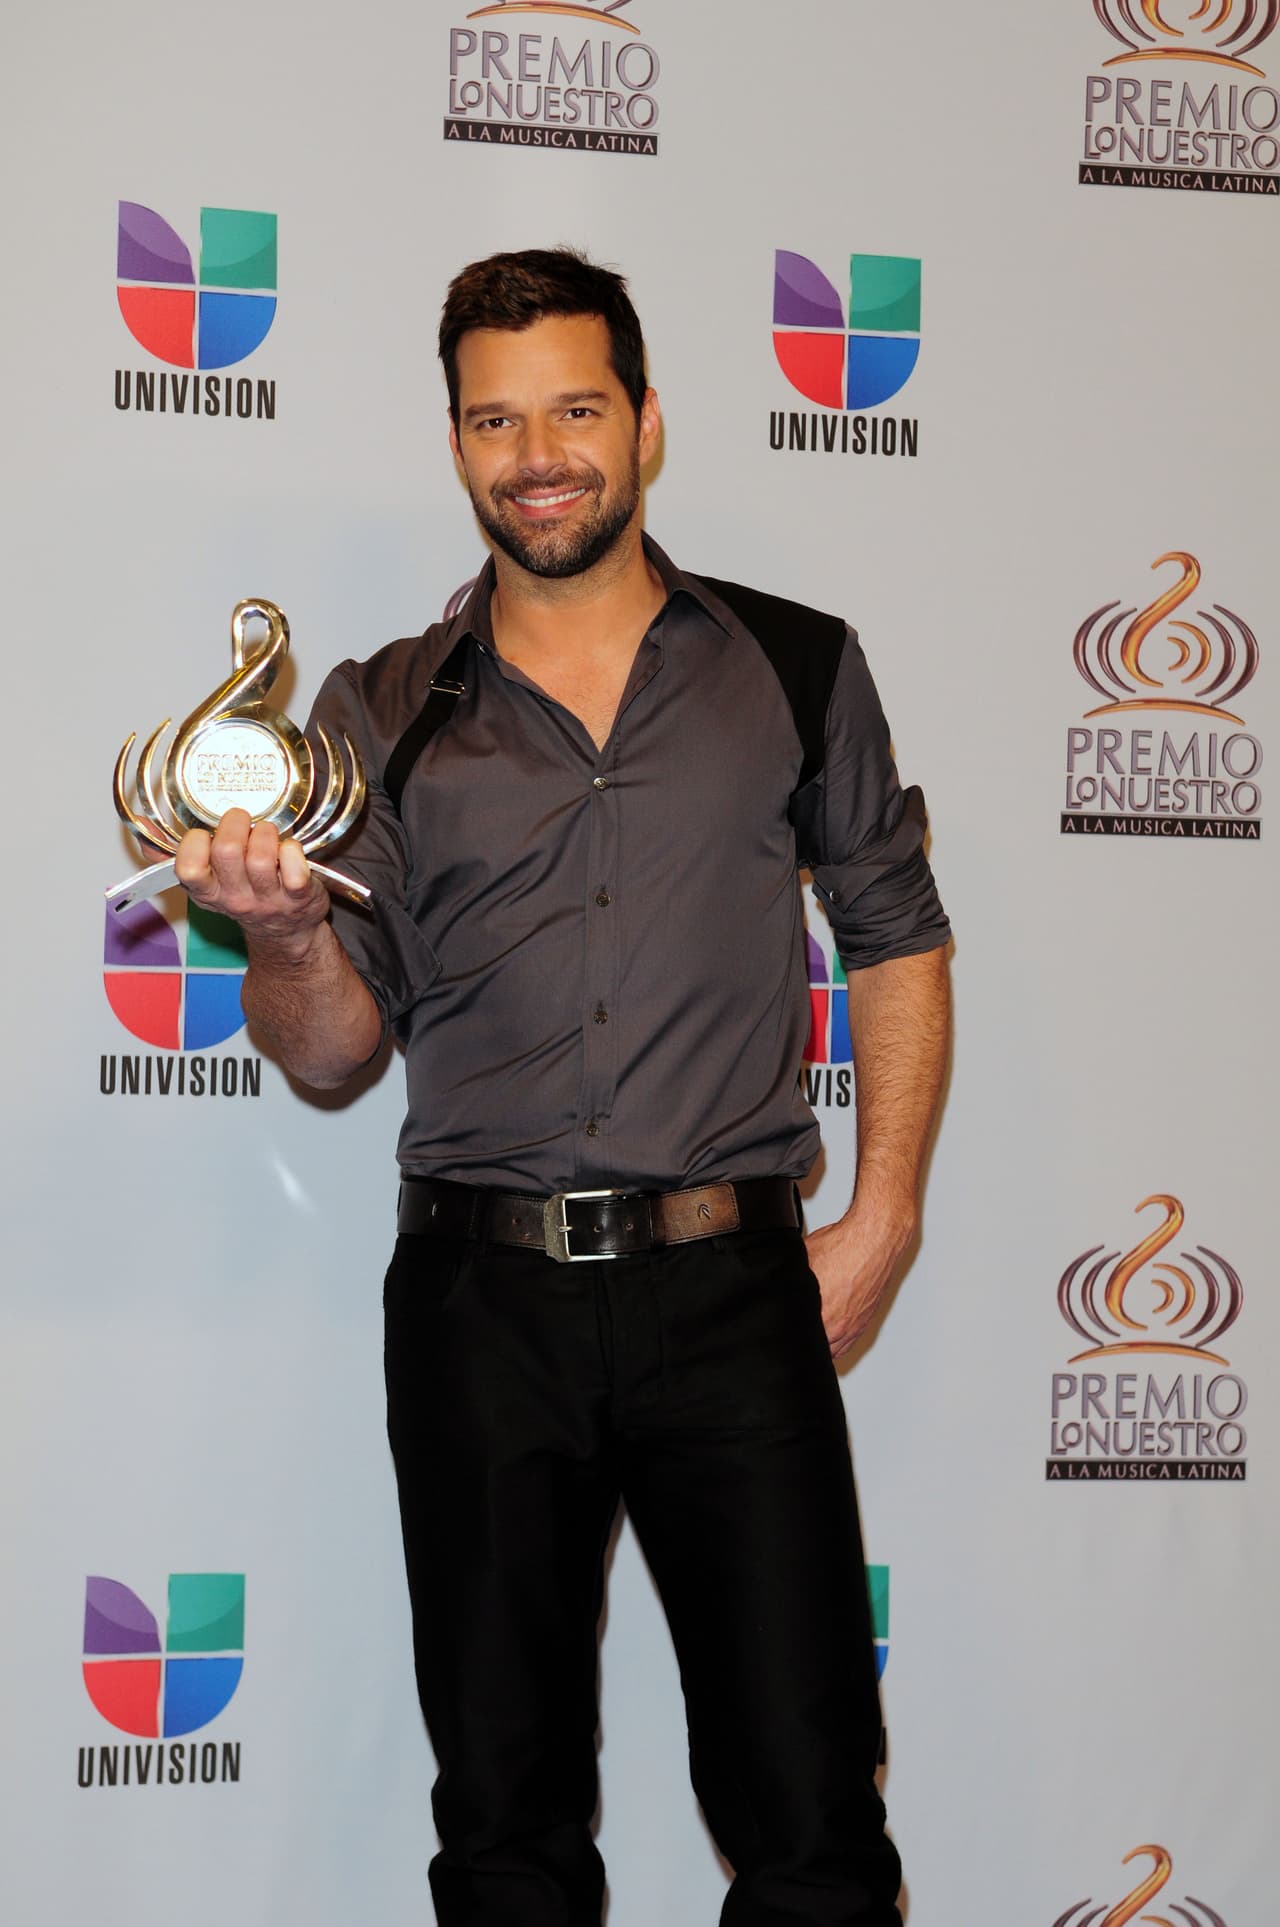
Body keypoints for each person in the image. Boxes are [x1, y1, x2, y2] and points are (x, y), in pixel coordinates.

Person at [173, 248, 951, 1927]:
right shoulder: (371, 713)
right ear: (456, 446)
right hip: (478, 1304)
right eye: (496, 419)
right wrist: (288, 935)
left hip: (738, 1289)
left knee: (814, 1820)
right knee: (506, 1831)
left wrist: (883, 1212)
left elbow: (893, 932)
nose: (539, 453)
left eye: (576, 409)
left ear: (648, 423)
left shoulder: (796, 666)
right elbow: (328, 1054)